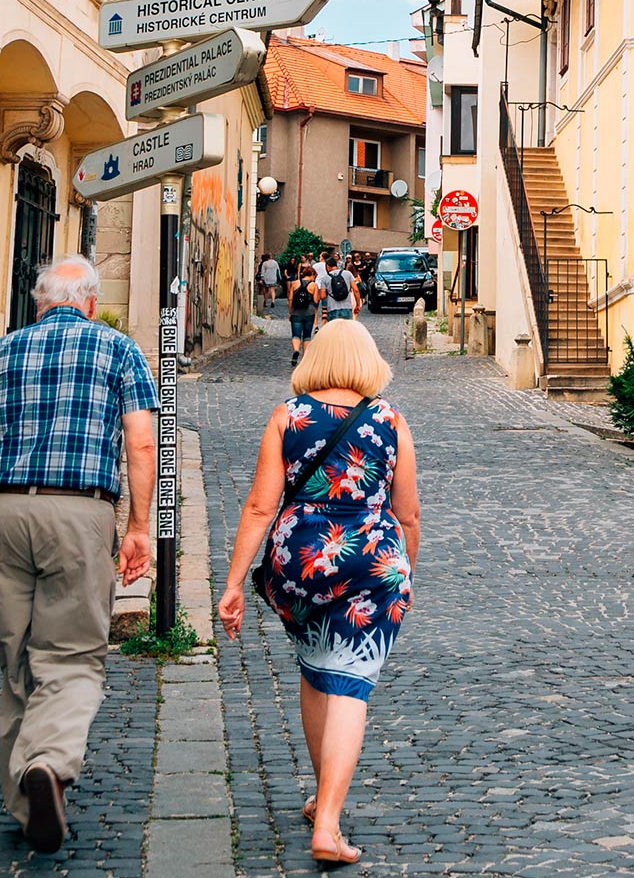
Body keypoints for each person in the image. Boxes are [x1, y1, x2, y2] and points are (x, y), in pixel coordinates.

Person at [0, 256, 157, 855]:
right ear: (90, 302)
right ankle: (49, 764)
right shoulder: (118, 351)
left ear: (38, 303)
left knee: (17, 654)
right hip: (78, 510)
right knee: (73, 653)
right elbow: (141, 441)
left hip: (0, 511)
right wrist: (138, 526)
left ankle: (26, 803)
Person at [219, 320, 419, 868]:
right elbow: (409, 514)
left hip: (300, 564)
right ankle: (329, 824)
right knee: (351, 684)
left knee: (315, 667)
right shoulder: (390, 420)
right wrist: (405, 572)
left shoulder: (289, 416)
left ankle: (319, 797)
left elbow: (260, 507)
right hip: (370, 565)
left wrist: (234, 583)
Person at [287, 266, 318, 362]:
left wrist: (290, 312)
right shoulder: (313, 285)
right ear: (312, 274)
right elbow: (316, 300)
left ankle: (296, 350)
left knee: (296, 335)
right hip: (309, 312)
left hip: (296, 312)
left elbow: (290, 298)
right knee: (307, 336)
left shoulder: (295, 283)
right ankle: (304, 359)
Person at [320, 253, 359, 324]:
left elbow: (323, 296)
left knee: (335, 333)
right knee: (346, 331)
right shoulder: (348, 274)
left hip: (332, 308)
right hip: (347, 308)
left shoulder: (325, 278)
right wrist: (358, 305)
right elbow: (356, 290)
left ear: (327, 266)